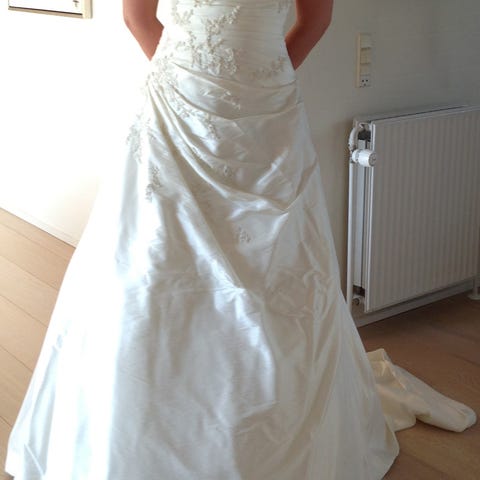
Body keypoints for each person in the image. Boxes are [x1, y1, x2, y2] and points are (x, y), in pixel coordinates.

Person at [5, 0, 476, 478]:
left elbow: (142, 17)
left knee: (266, 261)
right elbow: (143, 19)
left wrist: (241, 75)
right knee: (161, 253)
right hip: (187, 107)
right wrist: (222, 75)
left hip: (253, 107)